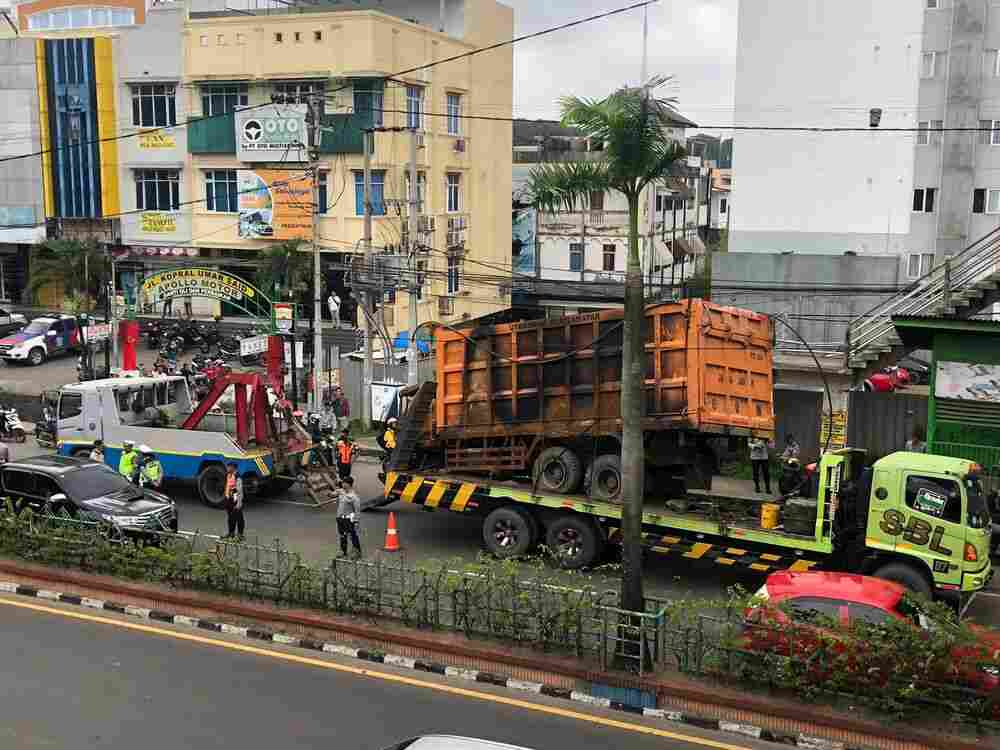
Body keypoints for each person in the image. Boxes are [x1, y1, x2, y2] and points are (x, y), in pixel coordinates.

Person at [335, 476, 362, 558]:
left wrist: (356, 521)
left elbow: (357, 510)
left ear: (348, 484)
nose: (342, 484)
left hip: (349, 519)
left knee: (352, 535)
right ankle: (343, 551)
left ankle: (357, 552)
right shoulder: (341, 492)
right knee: (342, 535)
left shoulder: (354, 497)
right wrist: (330, 493)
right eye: (342, 482)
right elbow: (333, 494)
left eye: (344, 482)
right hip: (340, 518)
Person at [222, 463, 245, 540]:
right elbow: (227, 486)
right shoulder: (228, 475)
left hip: (235, 497)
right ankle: (231, 533)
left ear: (233, 468)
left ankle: (240, 535)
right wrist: (226, 497)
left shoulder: (238, 477)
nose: (227, 468)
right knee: (230, 517)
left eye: (229, 467)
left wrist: (239, 503)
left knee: (238, 517)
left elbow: (239, 491)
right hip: (229, 498)